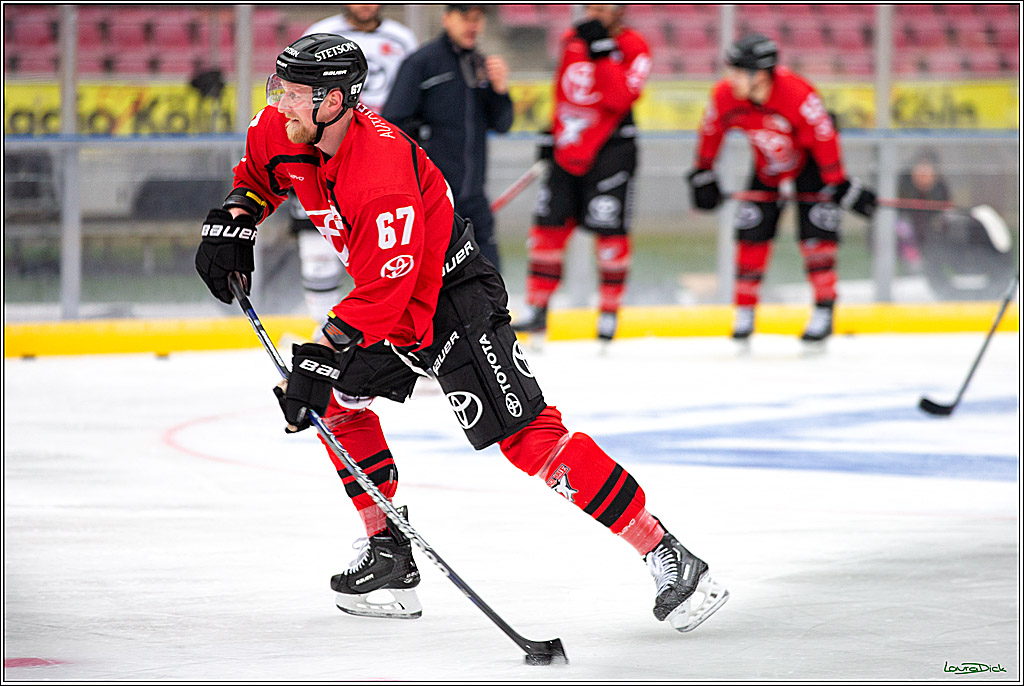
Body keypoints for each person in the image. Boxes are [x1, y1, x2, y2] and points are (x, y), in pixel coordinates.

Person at [195, 34, 727, 632]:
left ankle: (667, 552)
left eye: (295, 93)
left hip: (449, 296)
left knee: (532, 441)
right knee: (335, 406)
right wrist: (233, 221)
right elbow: (260, 177)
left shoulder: (380, 173)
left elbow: (387, 287)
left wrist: (321, 357)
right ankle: (390, 556)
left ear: (336, 100)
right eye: (280, 87)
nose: (280, 102)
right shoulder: (282, 125)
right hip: (385, 299)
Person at [686, 34, 877, 344]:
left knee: (817, 236)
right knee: (751, 231)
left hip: (810, 165)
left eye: (737, 72)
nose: (729, 79)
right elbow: (711, 130)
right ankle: (745, 311)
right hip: (767, 165)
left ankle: (824, 310)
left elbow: (824, 136)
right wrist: (702, 172)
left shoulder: (798, 94)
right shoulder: (725, 95)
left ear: (759, 75)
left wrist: (838, 181)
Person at [513, 4, 651, 343]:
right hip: (568, 145)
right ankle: (538, 309)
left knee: (610, 232)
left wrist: (603, 51)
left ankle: (608, 313)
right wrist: (551, 131)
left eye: (605, 7)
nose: (596, 12)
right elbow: (563, 90)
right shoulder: (571, 40)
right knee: (547, 228)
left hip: (611, 150)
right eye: (592, 6)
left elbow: (618, 99)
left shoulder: (635, 47)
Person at [287, 5, 419, 327]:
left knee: (385, 255)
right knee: (316, 251)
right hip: (324, 155)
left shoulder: (403, 39)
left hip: (380, 161)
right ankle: (324, 337)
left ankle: (393, 341)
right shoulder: (318, 34)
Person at [382, 4, 512, 272]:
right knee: (438, 286)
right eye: (465, 17)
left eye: (478, 19)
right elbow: (393, 123)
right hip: (432, 200)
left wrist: (499, 90)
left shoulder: (480, 65)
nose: (472, 25)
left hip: (474, 198)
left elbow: (502, 124)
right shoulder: (421, 63)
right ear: (446, 19)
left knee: (491, 279)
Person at [895, 148, 950, 273]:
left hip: (931, 239)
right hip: (905, 236)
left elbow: (944, 215)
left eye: (928, 168)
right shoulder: (903, 184)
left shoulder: (941, 189)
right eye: (920, 166)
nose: (923, 172)